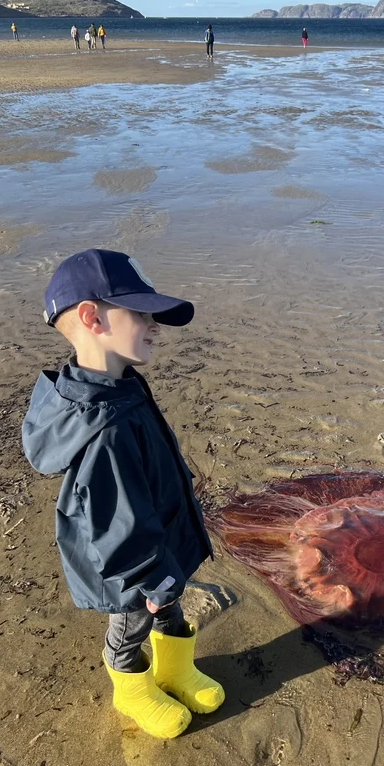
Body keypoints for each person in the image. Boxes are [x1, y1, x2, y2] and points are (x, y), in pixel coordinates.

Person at [22, 249, 226, 740]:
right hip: (130, 563)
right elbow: (114, 522)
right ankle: (130, 687)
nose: (155, 324)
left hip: (156, 540)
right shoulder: (103, 426)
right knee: (132, 621)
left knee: (172, 603)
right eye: (140, 312)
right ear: (92, 317)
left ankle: (173, 670)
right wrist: (149, 577)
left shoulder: (118, 386)